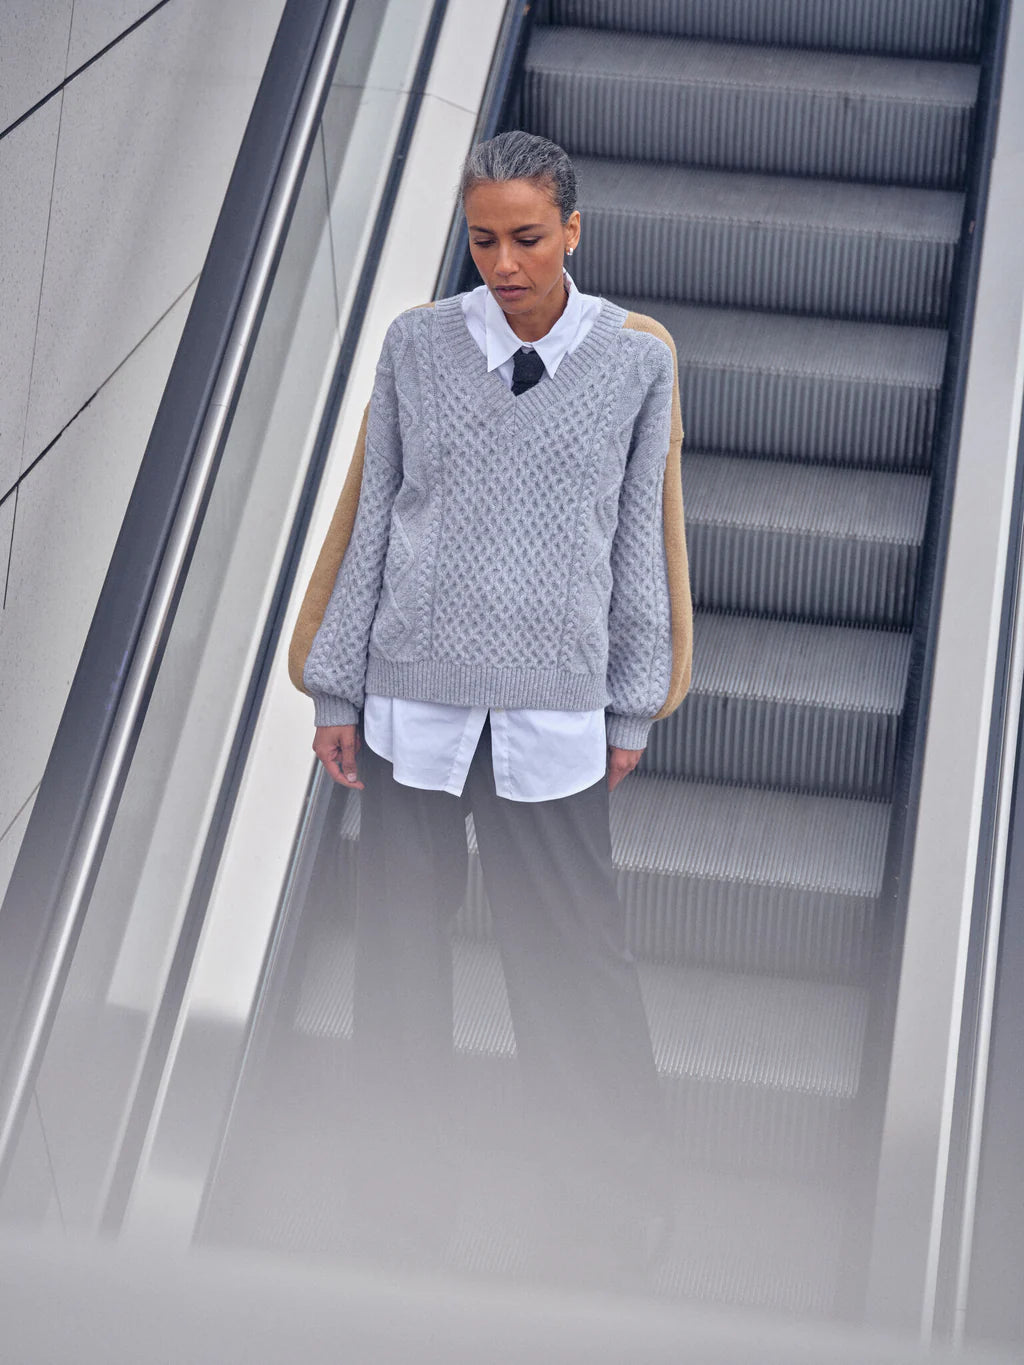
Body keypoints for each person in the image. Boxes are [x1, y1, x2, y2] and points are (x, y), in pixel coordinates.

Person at [288, 130, 693, 1286]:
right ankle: (396, 1209)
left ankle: (609, 1208)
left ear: (572, 231)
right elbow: (373, 513)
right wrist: (336, 685)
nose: (502, 263)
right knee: (397, 969)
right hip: (409, 709)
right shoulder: (416, 345)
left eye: (525, 237)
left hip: (553, 718)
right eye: (481, 240)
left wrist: (630, 707)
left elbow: (642, 543)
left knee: (575, 968)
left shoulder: (634, 361)